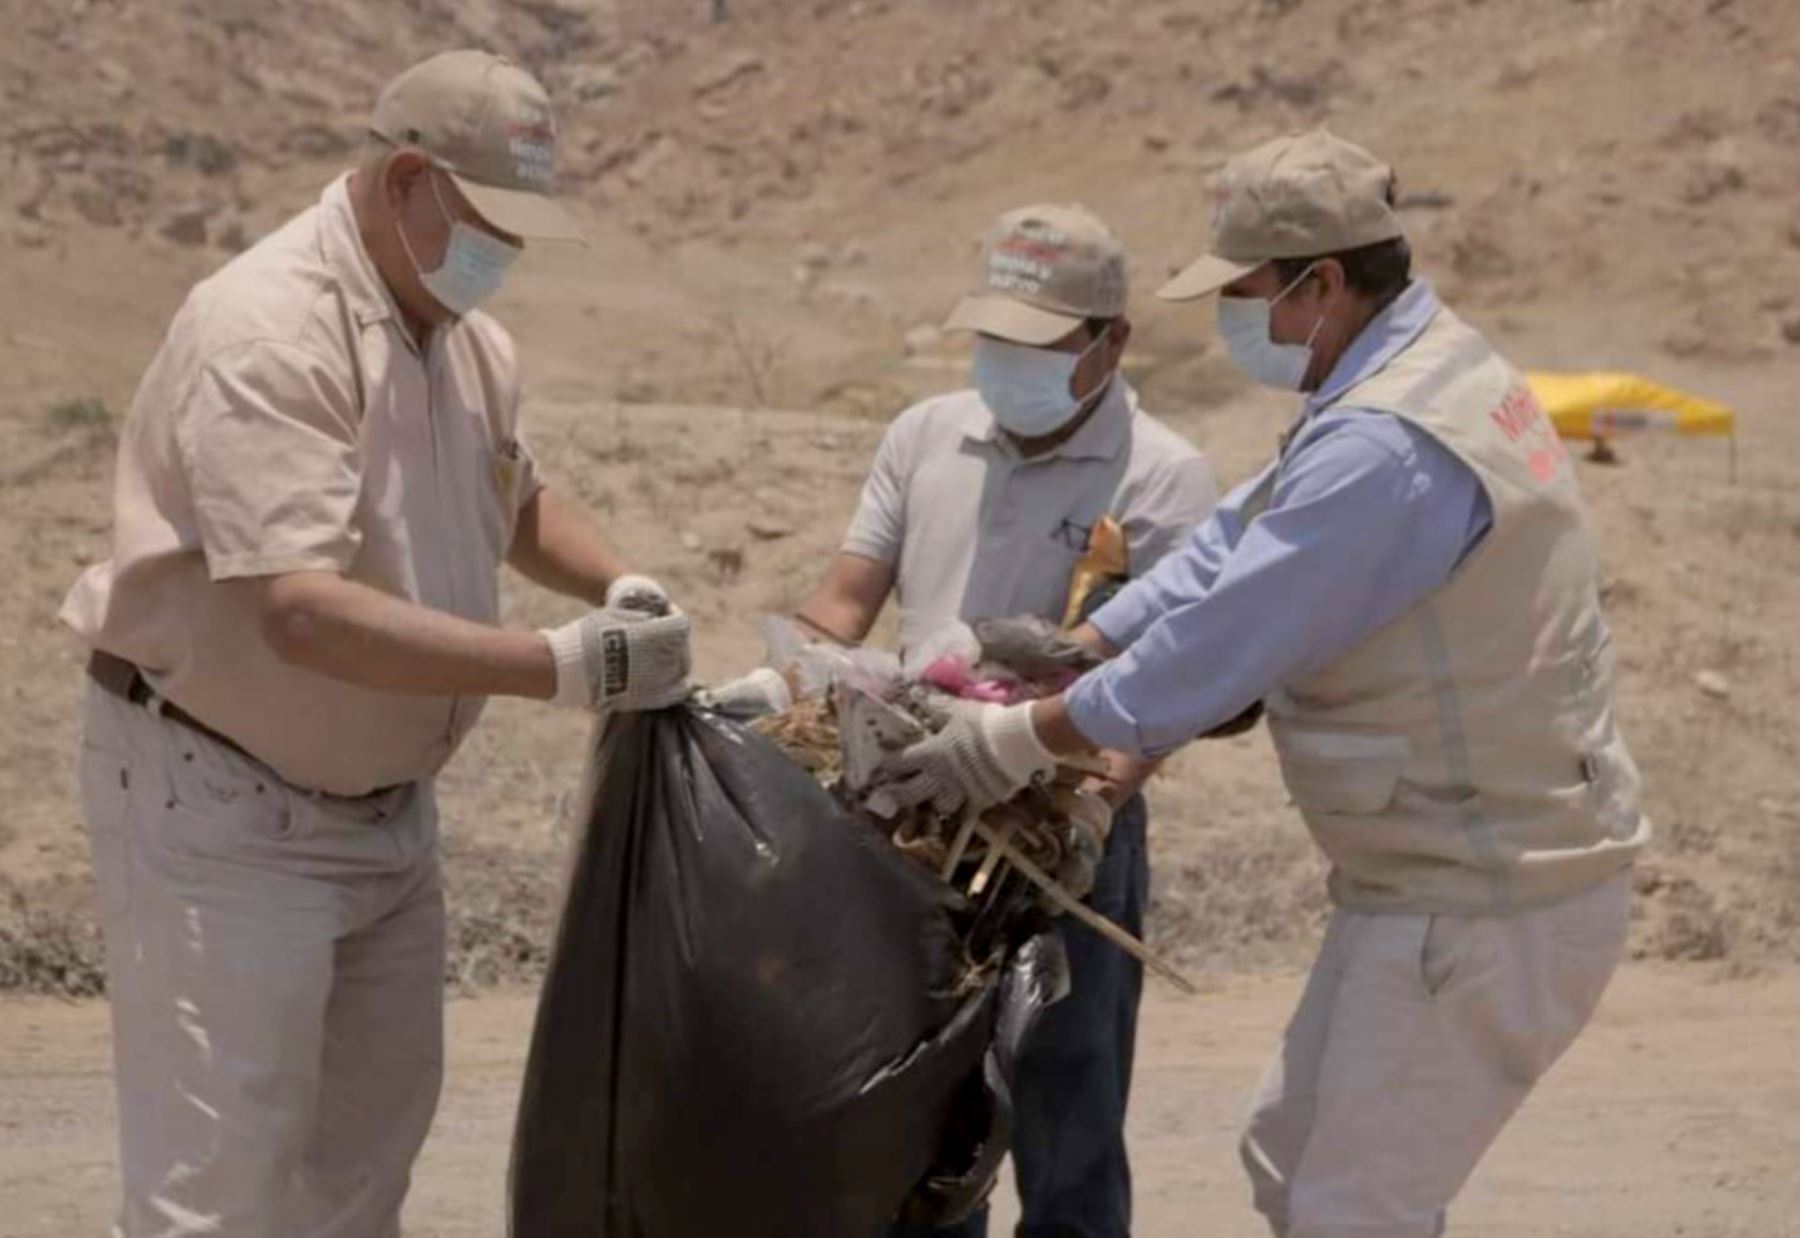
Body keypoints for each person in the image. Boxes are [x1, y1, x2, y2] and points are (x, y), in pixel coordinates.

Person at [873, 131, 1649, 1238]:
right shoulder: (1398, 375)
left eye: (1245, 295)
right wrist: (1084, 640)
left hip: (1487, 889)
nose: (1238, 322)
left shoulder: (1387, 444)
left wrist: (1017, 738)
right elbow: (1230, 543)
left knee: (1351, 1207)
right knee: (1289, 1159)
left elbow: (1226, 642)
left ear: (1320, 282)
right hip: (1430, 871)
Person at [60, 50, 691, 1237]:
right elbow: (296, 607)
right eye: (485, 224)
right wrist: (560, 665)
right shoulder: (268, 331)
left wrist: (621, 579)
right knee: (222, 1186)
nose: (497, 257)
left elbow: (518, 502)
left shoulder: (459, 339)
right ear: (408, 177)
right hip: (225, 807)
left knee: (359, 1173)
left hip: (383, 818)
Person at [712, 204, 1218, 1238]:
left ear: (1110, 342)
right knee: (921, 1124)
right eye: (992, 338)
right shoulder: (926, 435)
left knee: (1066, 1116)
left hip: (1058, 839)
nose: (1004, 363)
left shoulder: (1162, 476)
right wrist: (781, 680)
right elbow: (849, 598)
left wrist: (1092, 808)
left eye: (1033, 345)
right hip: (906, 817)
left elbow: (1166, 685)